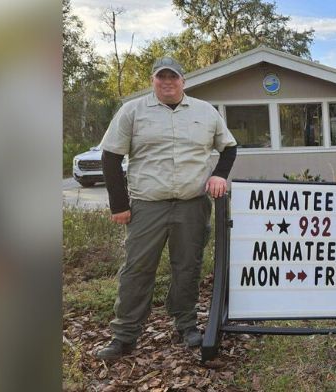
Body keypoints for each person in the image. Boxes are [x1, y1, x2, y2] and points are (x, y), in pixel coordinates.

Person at [95, 56, 238, 360]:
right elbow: (110, 157)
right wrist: (119, 204)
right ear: (153, 80)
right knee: (137, 269)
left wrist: (218, 175)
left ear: (183, 81)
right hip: (147, 206)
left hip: (192, 206)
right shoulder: (133, 111)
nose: (168, 82)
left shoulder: (205, 111)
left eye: (173, 77)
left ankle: (186, 325)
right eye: (162, 77)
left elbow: (228, 147)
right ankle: (124, 335)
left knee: (188, 267)